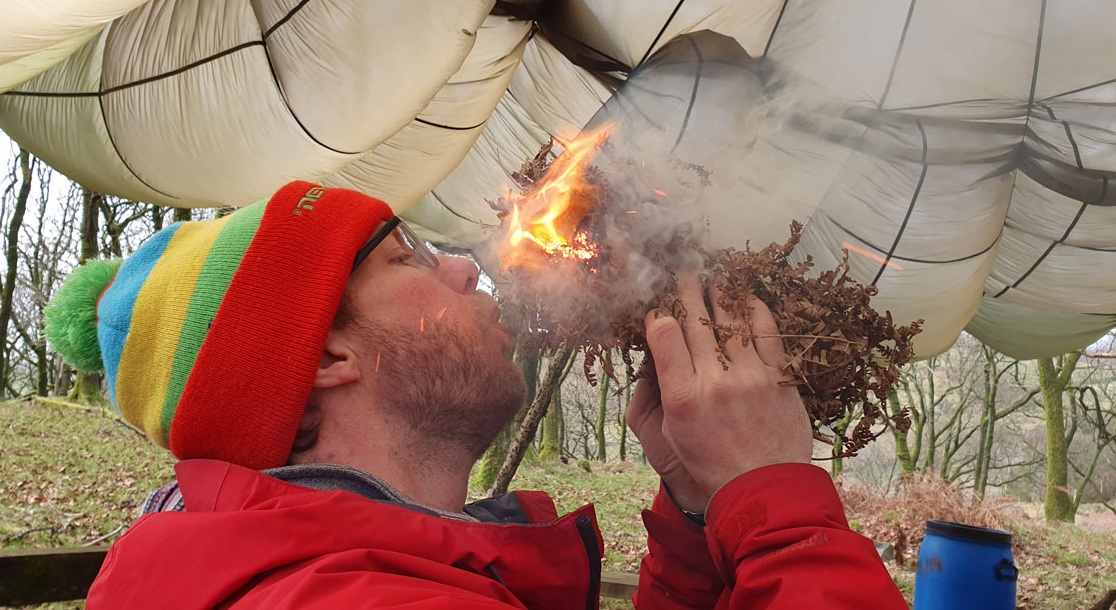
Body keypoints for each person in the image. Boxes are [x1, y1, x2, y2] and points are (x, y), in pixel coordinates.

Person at [45, 180, 906, 609]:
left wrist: (693, 516)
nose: (463, 265)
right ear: (326, 357)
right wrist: (779, 508)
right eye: (407, 260)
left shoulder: (353, 572)